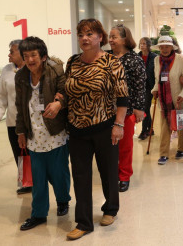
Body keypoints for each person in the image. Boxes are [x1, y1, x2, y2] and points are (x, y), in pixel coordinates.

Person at [65, 19, 129, 240]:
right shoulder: (72, 62)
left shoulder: (112, 62)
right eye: (81, 34)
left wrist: (118, 125)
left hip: (105, 126)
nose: (85, 38)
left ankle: (111, 209)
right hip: (76, 129)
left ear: (100, 37)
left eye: (90, 34)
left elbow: (122, 97)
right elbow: (66, 91)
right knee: (80, 176)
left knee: (108, 171)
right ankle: (83, 222)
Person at [15, 36, 71, 230]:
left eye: (33, 55)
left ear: (43, 55)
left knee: (59, 174)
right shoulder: (21, 76)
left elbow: (66, 91)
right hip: (34, 135)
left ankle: (63, 200)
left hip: (55, 132)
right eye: (26, 56)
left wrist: (59, 102)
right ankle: (38, 214)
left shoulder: (55, 70)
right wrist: (20, 131)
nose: (30, 60)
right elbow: (19, 105)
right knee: (38, 179)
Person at [108, 24, 146, 193]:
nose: (110, 40)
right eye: (110, 37)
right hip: (106, 110)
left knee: (124, 146)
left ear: (124, 39)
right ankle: (112, 172)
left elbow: (140, 86)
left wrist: (139, 108)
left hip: (127, 110)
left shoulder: (134, 59)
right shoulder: (105, 57)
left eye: (114, 37)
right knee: (109, 146)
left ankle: (124, 176)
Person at [0, 40, 31, 194]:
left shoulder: (32, 68)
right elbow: (1, 97)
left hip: (32, 122)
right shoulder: (6, 70)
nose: (9, 54)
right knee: (19, 152)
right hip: (13, 121)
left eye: (12, 51)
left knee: (34, 153)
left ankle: (38, 180)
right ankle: (26, 182)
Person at [151, 36, 183, 164]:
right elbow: (158, 79)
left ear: (172, 47)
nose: (164, 49)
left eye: (167, 46)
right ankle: (164, 153)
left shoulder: (180, 59)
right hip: (164, 99)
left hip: (178, 99)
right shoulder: (157, 60)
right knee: (165, 126)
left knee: (180, 125)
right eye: (162, 47)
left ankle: (182, 148)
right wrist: (154, 89)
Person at [138, 37, 157, 140]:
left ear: (148, 45)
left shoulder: (154, 57)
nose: (142, 45)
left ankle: (144, 131)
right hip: (140, 86)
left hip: (150, 86)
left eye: (144, 43)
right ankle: (150, 129)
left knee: (145, 108)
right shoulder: (137, 56)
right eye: (141, 43)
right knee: (145, 108)